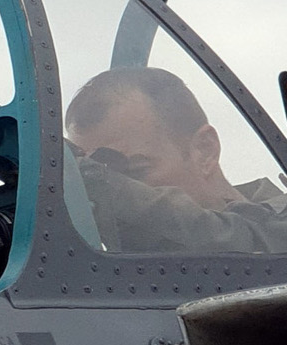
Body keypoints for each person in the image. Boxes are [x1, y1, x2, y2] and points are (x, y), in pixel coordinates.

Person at [64, 67, 287, 254]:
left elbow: (226, 238)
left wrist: (89, 175)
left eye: (136, 170)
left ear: (204, 150)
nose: (127, 187)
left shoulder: (277, 227)